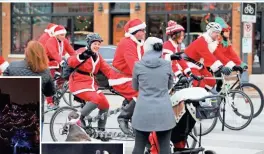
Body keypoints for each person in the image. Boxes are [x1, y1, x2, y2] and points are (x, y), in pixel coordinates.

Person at [3, 40, 55, 140]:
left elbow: (4, 84)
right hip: (35, 115)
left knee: (13, 143)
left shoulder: (13, 66)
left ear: (26, 52)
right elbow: (50, 92)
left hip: (13, 112)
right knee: (34, 143)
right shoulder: (45, 71)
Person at [131, 37, 176, 154]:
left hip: (143, 111)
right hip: (163, 111)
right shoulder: (167, 65)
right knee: (165, 147)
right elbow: (169, 85)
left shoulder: (138, 65)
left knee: (138, 147)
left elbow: (135, 87)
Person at [67, 33, 112, 141]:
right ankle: (78, 118)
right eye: (95, 43)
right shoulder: (82, 51)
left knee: (105, 104)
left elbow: (107, 69)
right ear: (89, 44)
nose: (97, 46)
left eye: (98, 44)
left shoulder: (98, 56)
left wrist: (118, 80)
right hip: (78, 82)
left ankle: (101, 131)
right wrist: (82, 56)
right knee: (95, 99)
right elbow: (71, 61)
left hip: (91, 83)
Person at [107, 18, 146, 135]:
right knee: (141, 93)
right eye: (142, 30)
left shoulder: (138, 44)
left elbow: (146, 61)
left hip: (129, 77)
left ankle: (134, 117)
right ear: (135, 32)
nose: (144, 32)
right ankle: (123, 117)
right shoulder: (127, 43)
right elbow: (134, 65)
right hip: (119, 78)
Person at [184, 22, 232, 91]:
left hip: (199, 65)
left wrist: (232, 65)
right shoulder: (201, 41)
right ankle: (197, 100)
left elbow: (218, 55)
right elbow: (208, 56)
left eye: (219, 32)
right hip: (189, 65)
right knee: (200, 84)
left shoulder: (210, 42)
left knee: (211, 82)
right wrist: (221, 67)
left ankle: (206, 98)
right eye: (216, 32)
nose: (218, 35)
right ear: (210, 32)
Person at [45, 25, 76, 110]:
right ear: (56, 35)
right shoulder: (50, 41)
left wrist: (77, 59)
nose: (64, 37)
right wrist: (61, 61)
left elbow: (71, 51)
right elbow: (53, 53)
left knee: (65, 76)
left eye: (64, 34)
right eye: (61, 35)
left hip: (58, 61)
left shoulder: (64, 41)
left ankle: (58, 87)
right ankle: (49, 102)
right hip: (48, 61)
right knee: (50, 81)